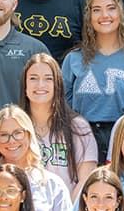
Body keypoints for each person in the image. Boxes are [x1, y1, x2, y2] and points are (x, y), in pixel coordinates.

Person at [63, 0, 124, 160]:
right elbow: (63, 107)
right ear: (89, 17)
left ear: (121, 14)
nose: (104, 15)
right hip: (83, 139)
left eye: (111, 8)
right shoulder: (73, 59)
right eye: (96, 10)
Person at [20, 53, 97, 199]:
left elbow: (86, 179)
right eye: (33, 78)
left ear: (58, 85)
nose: (40, 84)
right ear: (25, 85)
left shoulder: (78, 127)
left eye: (48, 79)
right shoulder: (15, 126)